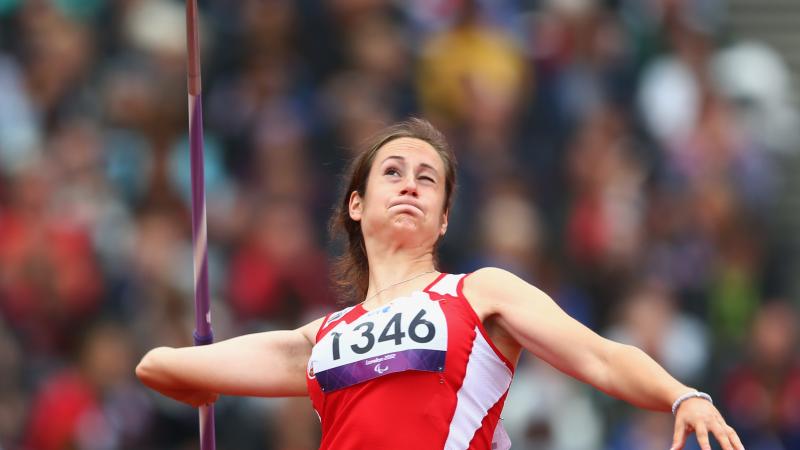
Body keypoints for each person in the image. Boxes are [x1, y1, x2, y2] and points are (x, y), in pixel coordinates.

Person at [136, 118, 744, 450]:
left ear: (444, 217)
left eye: (428, 180)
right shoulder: (319, 338)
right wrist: (196, 379)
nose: (410, 185)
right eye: (393, 173)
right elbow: (158, 367)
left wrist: (682, 395)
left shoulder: (481, 293)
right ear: (355, 204)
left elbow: (602, 357)